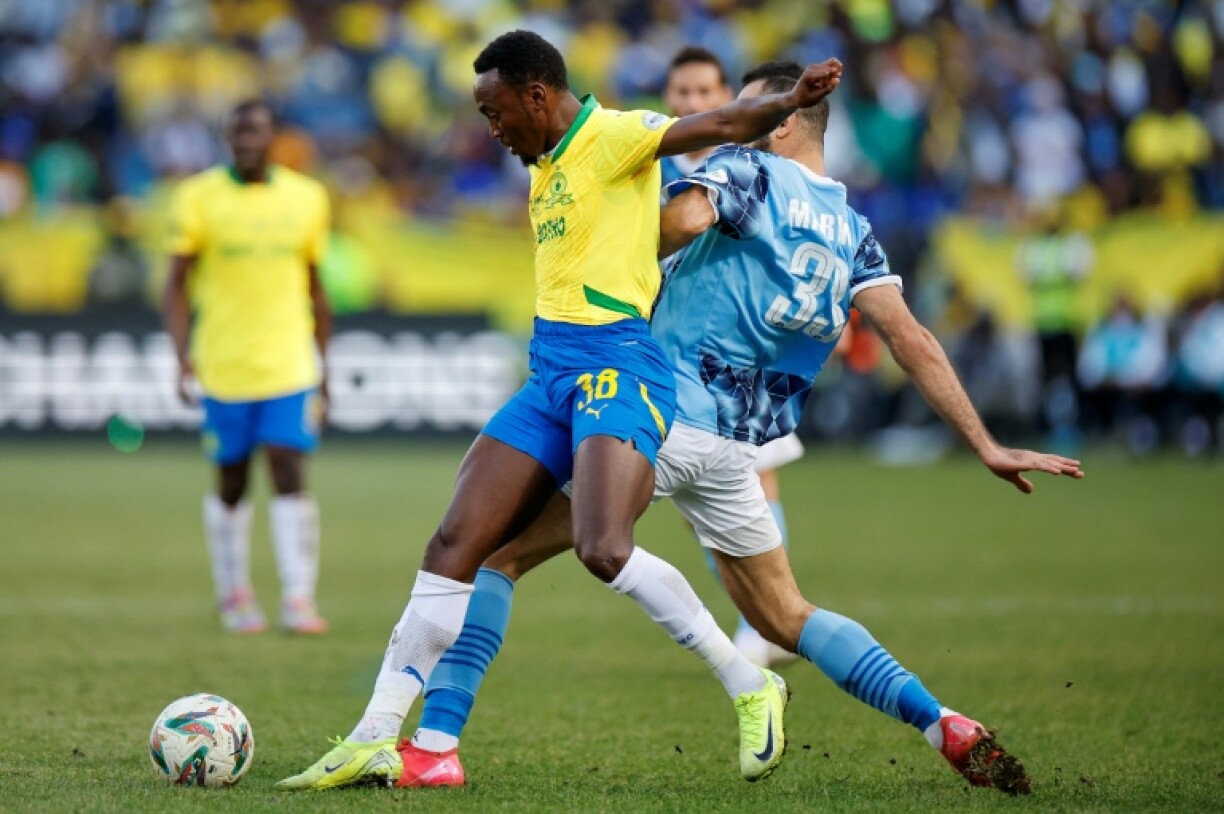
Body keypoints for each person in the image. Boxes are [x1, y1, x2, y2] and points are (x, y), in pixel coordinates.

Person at [395, 61, 1083, 794]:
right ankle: (940, 720)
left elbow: (678, 222)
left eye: (751, 113)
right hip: (736, 452)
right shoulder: (854, 232)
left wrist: (598, 228)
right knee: (787, 615)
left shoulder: (746, 172)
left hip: (658, 418)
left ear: (783, 121)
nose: (738, 124)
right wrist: (984, 442)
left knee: (495, 552)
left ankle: (436, 745)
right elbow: (911, 339)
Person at [277, 33, 844, 790]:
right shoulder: (544, 166)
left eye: (495, 110)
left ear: (537, 95)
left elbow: (711, 128)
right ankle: (376, 735)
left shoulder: (613, 135)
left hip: (621, 368)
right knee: (457, 542)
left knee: (602, 548)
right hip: (550, 373)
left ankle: (749, 682)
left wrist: (788, 102)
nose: (492, 128)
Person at [163, 100, 332, 635]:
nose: (247, 140)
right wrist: (181, 354)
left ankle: (298, 598)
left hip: (289, 362)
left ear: (272, 136)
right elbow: (175, 283)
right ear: (225, 137)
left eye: (256, 131)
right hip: (225, 363)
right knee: (232, 478)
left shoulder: (307, 198)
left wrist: (324, 362)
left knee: (289, 469)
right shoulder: (197, 198)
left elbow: (315, 284)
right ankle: (234, 592)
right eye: (237, 131)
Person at [662, 45, 803, 669]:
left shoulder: (744, 163)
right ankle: (767, 617)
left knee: (756, 480)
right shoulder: (652, 166)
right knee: (703, 510)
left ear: (723, 97)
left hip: (743, 355)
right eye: (682, 93)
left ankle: (771, 616)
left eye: (703, 93)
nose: (691, 103)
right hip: (674, 352)